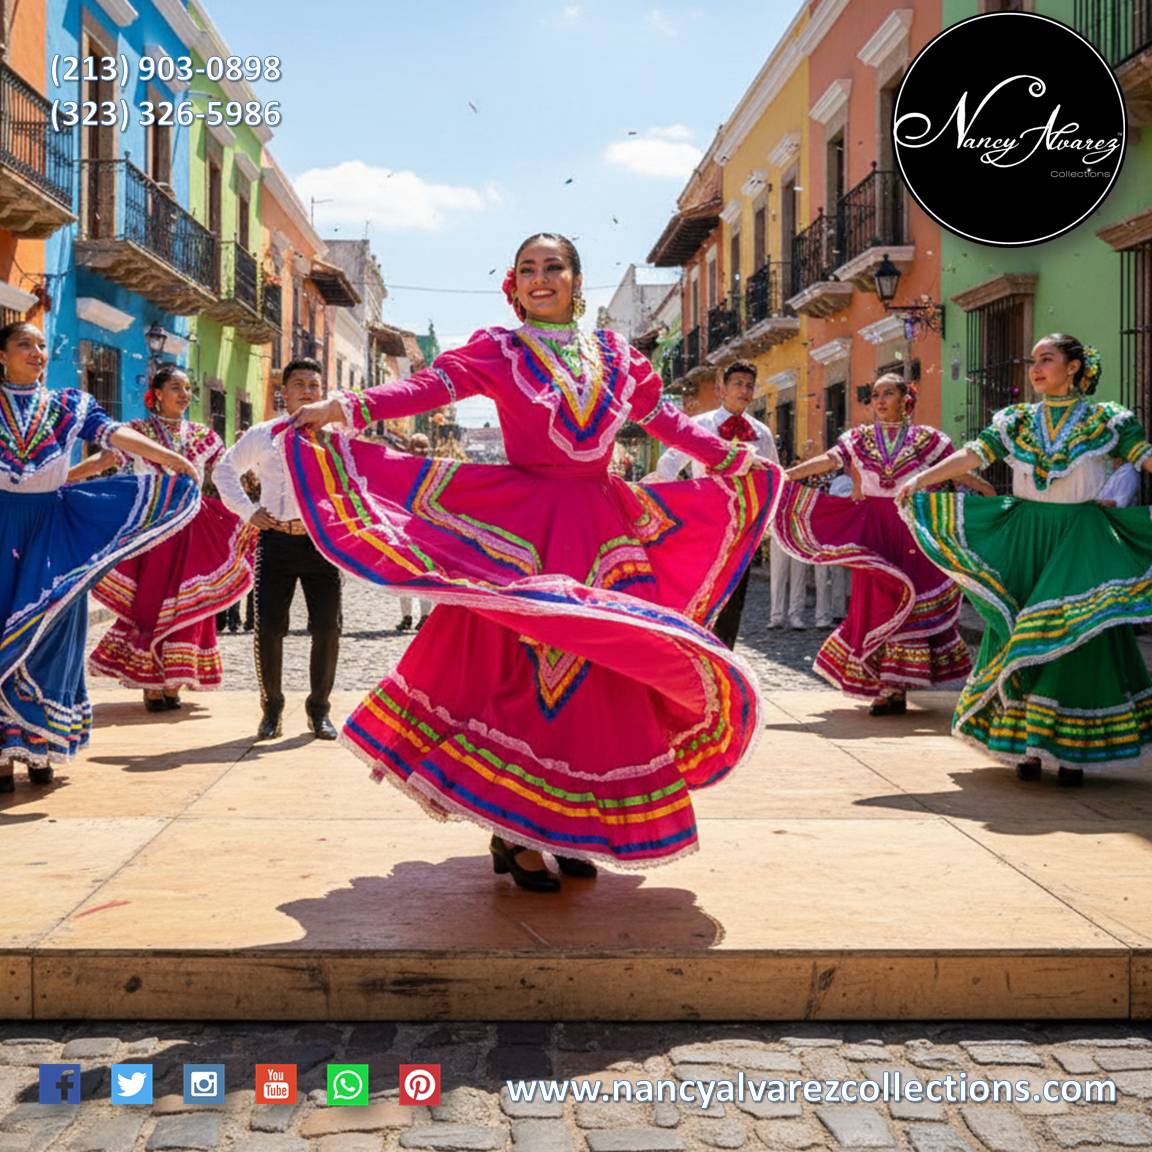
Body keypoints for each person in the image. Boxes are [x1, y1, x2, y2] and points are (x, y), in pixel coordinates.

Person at [287, 233, 777, 891]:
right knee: (519, 683)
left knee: (600, 683)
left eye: (553, 267)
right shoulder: (500, 349)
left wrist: (730, 461)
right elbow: (429, 387)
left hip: (603, 533)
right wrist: (343, 406)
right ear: (513, 288)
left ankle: (568, 826)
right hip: (521, 533)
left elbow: (664, 421)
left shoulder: (618, 358)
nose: (540, 278)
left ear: (577, 281)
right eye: (527, 270)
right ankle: (514, 835)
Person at [898, 334, 1152, 786]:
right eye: (1032, 360)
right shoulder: (1015, 420)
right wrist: (923, 478)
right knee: (1014, 629)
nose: (1035, 368)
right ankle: (1027, 750)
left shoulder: (1105, 419)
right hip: (1025, 536)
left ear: (1074, 367)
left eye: (1047, 359)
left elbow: (1142, 456)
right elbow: (975, 453)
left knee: (1074, 634)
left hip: (1080, 538)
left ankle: (1071, 752)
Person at [0, 321, 199, 790]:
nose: (37, 352)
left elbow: (113, 435)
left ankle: (39, 745)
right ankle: (3, 755)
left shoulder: (67, 405)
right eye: (24, 344)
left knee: (52, 632)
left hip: (53, 529)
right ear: (2, 355)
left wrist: (170, 459)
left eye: (43, 344)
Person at [778, 372, 990, 715]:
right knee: (878, 601)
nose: (878, 401)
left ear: (906, 399)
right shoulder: (858, 438)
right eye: (874, 394)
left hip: (910, 526)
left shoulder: (928, 439)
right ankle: (885, 685)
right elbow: (831, 460)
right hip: (874, 530)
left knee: (910, 601)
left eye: (887, 393)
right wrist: (786, 476)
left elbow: (955, 471)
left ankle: (896, 686)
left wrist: (987, 491)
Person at [81, 366, 255, 710]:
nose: (184, 394)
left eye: (189, 387)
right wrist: (61, 480)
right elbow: (103, 461)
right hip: (154, 527)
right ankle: (151, 684)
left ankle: (174, 680)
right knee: (152, 600)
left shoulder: (205, 437)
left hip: (193, 526)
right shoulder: (138, 432)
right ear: (157, 393)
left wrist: (252, 507)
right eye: (176, 387)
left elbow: (226, 475)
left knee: (189, 603)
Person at [214, 358, 343, 742]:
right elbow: (224, 469)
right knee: (269, 628)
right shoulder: (264, 434)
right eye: (299, 384)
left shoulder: (336, 437)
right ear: (283, 392)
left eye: (314, 385)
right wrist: (250, 511)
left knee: (327, 628)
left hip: (321, 545)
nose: (307, 390)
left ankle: (319, 711)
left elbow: (355, 482)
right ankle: (271, 709)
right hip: (276, 542)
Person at [654, 359, 778, 648]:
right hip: (705, 525)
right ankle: (696, 651)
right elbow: (668, 464)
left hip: (742, 528)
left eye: (749, 386)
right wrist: (681, 505)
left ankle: (723, 656)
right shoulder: (700, 426)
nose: (744, 391)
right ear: (722, 389)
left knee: (734, 598)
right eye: (737, 384)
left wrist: (766, 522)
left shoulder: (761, 433)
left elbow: (774, 475)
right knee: (702, 591)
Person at [397, 433, 434, 632]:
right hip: (415, 530)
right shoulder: (433, 468)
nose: (419, 451)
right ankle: (415, 617)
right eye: (417, 447)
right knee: (413, 574)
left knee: (414, 574)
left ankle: (413, 617)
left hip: (418, 530)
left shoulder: (407, 467)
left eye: (421, 447)